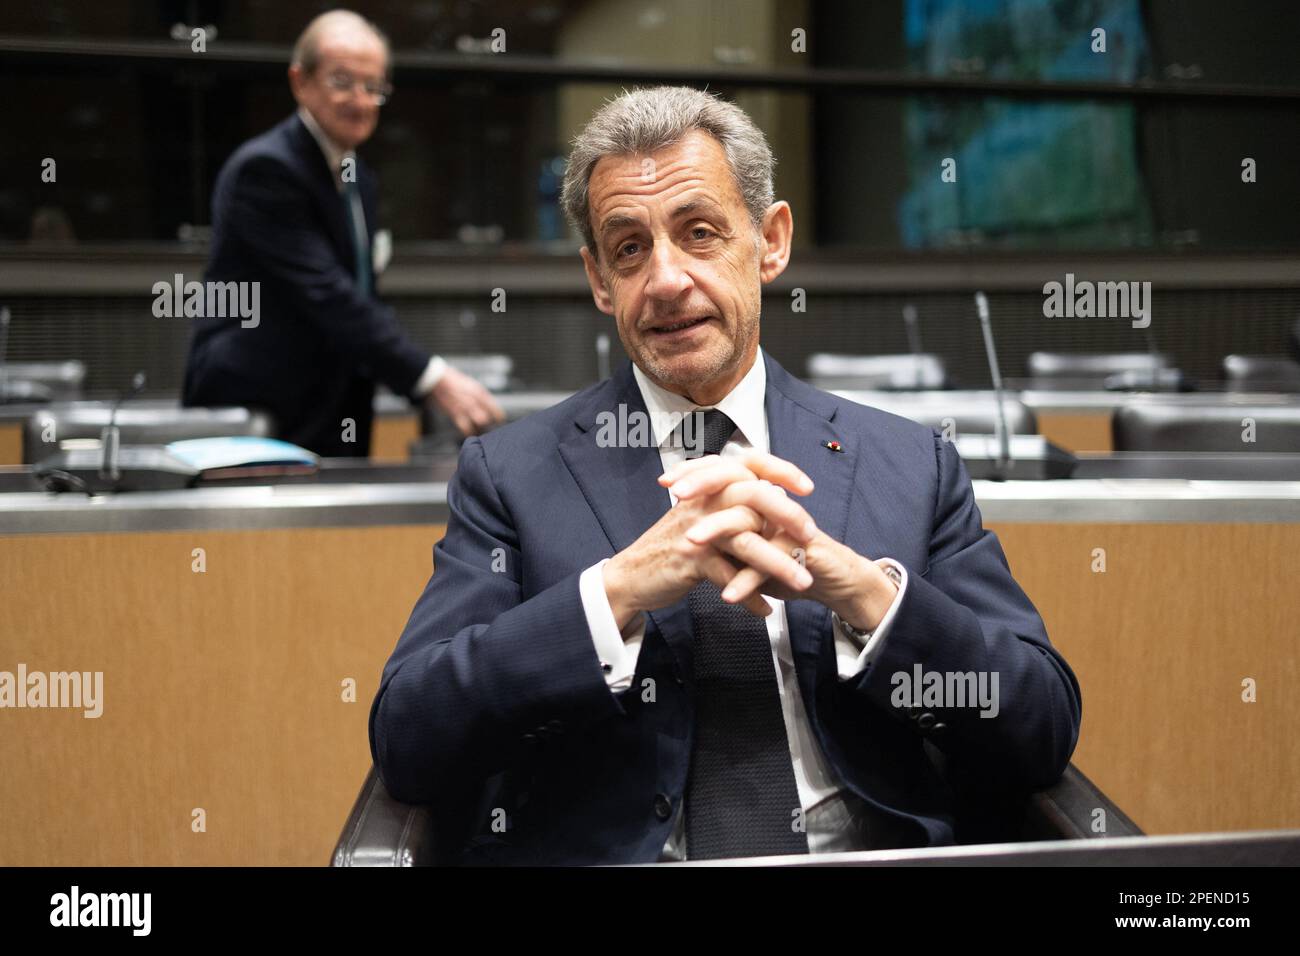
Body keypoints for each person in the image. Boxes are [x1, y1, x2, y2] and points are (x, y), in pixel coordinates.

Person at [370, 86, 1081, 864]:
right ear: (600, 280)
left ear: (770, 241)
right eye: (630, 248)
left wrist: (862, 592)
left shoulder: (910, 462)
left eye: (699, 232)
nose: (667, 280)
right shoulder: (508, 474)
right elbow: (411, 736)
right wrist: (618, 591)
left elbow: (1038, 728)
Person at [181, 9, 502, 456]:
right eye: (342, 81)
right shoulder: (266, 170)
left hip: (335, 409)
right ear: (301, 82)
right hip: (260, 411)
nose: (360, 99)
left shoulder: (358, 179)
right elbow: (327, 295)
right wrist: (431, 377)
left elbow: (362, 298)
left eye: (373, 87)